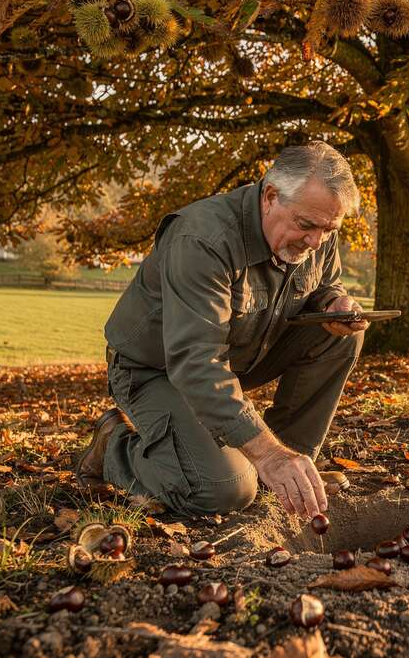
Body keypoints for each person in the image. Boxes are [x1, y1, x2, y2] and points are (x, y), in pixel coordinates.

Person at [74, 141, 367, 518]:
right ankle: (113, 447)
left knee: (342, 333)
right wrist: (266, 453)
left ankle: (289, 471)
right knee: (223, 491)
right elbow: (196, 362)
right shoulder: (202, 238)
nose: (316, 241)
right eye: (306, 226)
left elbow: (325, 283)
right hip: (156, 368)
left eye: (329, 229)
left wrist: (332, 304)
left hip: (238, 357)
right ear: (270, 196)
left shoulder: (317, 227)